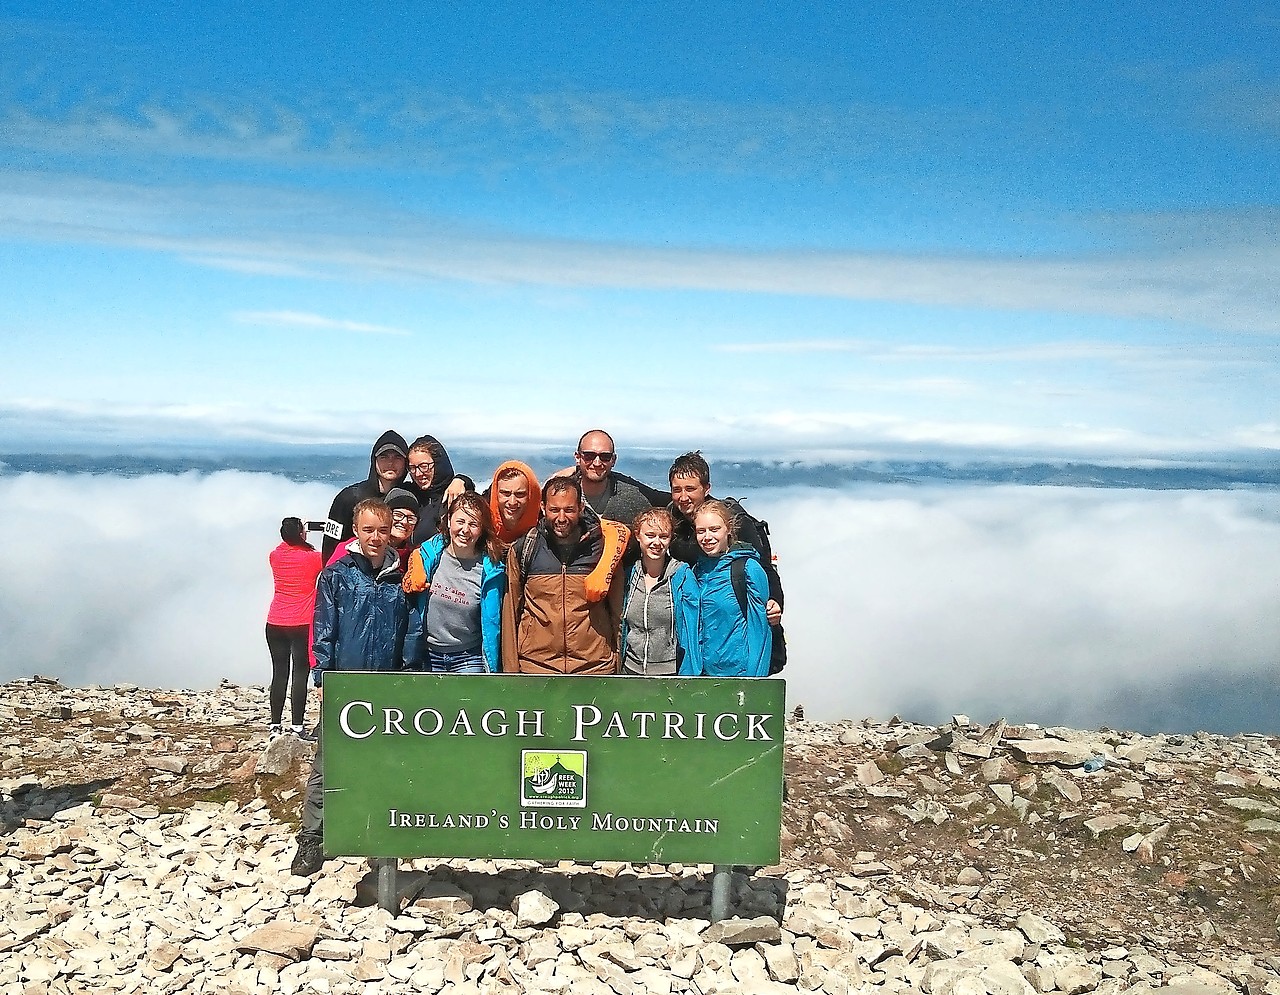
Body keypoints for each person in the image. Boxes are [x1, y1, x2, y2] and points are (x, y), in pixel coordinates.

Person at [292, 499, 408, 877]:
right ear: (356, 532)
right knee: (328, 763)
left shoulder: (400, 575)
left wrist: (408, 671)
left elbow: (410, 629)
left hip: (387, 683)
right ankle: (312, 839)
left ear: (391, 529)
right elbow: (323, 627)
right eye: (368, 530)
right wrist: (322, 675)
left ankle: (375, 831)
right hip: (346, 681)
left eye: (382, 529)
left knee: (381, 761)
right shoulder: (337, 575)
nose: (376, 537)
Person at [667, 451, 787, 671]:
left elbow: (765, 568)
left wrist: (775, 601)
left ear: (706, 488)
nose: (683, 497)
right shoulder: (673, 522)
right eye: (677, 490)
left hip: (740, 657)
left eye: (691, 489)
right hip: (704, 656)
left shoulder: (736, 522)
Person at [501, 477, 630, 675]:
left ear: (581, 507)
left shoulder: (603, 548)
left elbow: (617, 613)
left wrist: (618, 667)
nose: (561, 518)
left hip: (594, 669)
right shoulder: (525, 548)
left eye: (569, 510)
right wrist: (511, 673)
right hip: (537, 668)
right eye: (554, 510)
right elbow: (510, 613)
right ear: (543, 508)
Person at [402, 492, 507, 673]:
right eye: (460, 522)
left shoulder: (491, 570)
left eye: (473, 524)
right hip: (426, 654)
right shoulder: (428, 556)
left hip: (468, 657)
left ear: (481, 529)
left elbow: (493, 622)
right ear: (449, 520)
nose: (465, 530)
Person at [676, 499, 771, 678]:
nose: (707, 537)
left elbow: (761, 633)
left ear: (728, 529)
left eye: (714, 529)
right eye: (701, 531)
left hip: (740, 676)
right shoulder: (697, 571)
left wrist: (754, 682)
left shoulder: (747, 569)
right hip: (703, 677)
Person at [618, 507, 696, 676]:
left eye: (663, 536)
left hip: (669, 672)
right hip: (631, 669)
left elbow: (694, 628)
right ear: (638, 535)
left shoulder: (681, 575)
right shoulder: (629, 575)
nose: (657, 542)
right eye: (650, 535)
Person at [265, 517, 322, 737]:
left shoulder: (274, 556)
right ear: (300, 534)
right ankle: (297, 725)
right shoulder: (313, 559)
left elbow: (284, 547)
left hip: (275, 622)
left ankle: (274, 725)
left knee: (279, 673)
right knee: (300, 673)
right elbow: (330, 557)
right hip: (302, 622)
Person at [320, 431, 410, 562]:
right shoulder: (348, 497)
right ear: (374, 461)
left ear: (405, 463)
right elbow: (330, 543)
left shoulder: (410, 497)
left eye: (397, 457)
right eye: (384, 457)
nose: (390, 463)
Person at [570, 429, 669, 525]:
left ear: (613, 460)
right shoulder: (559, 496)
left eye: (605, 457)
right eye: (589, 456)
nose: (597, 463)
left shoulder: (632, 500)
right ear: (578, 457)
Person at [325, 487, 420, 569]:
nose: (404, 522)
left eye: (411, 518)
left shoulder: (414, 557)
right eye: (398, 515)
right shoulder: (351, 548)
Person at [405, 435, 471, 547]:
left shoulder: (454, 496)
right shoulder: (409, 496)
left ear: (438, 464)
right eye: (412, 468)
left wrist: (463, 481)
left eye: (424, 466)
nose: (418, 474)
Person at [486, 460, 541, 545]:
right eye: (506, 493)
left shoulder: (545, 532)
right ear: (495, 494)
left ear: (531, 496)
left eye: (520, 494)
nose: (512, 502)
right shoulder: (482, 526)